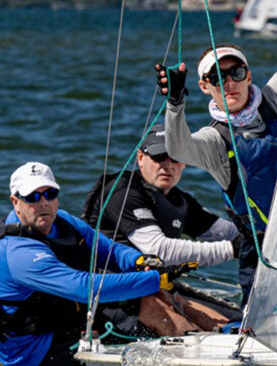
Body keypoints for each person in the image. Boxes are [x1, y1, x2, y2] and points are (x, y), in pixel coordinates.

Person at [156, 0, 277, 305]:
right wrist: (175, 104)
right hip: (261, 250)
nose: (229, 82)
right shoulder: (216, 140)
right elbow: (178, 149)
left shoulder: (274, 97)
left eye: (236, 73)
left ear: (248, 75)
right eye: (218, 77)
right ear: (204, 87)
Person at [0, 161, 188, 366]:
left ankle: (205, 340)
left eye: (50, 194)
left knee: (165, 297)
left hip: (62, 317)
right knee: (150, 306)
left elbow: (108, 251)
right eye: (32, 197)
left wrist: (139, 260)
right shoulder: (17, 253)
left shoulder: (61, 220)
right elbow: (84, 288)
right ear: (15, 202)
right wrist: (154, 279)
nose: (43, 203)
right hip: (41, 357)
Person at [82, 126, 243, 330]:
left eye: (175, 157)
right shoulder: (123, 191)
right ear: (141, 158)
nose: (167, 165)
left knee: (237, 324)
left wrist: (262, 237)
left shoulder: (180, 200)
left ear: (184, 162)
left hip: (158, 286)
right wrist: (232, 249)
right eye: (159, 157)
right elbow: (158, 250)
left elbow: (232, 233)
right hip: (114, 293)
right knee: (186, 332)